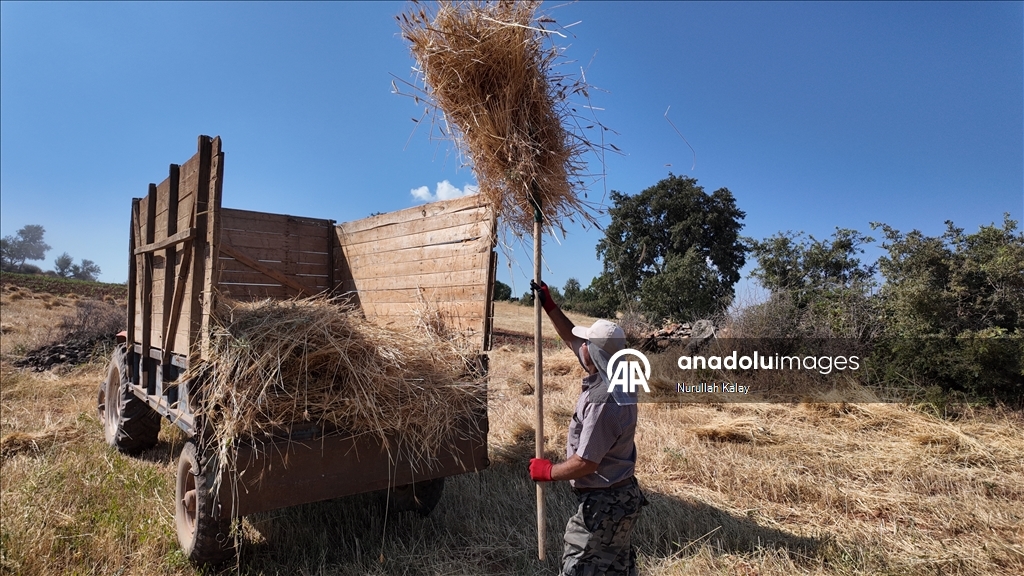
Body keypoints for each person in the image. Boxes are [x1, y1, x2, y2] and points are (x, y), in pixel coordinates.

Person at [527, 280, 646, 576]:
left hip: (604, 506)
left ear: (593, 354)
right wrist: (549, 305)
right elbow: (572, 338)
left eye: (586, 345)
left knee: (578, 569)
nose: (580, 347)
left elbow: (586, 462)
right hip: (622, 498)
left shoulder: (603, 399)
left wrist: (548, 471)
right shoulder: (620, 376)